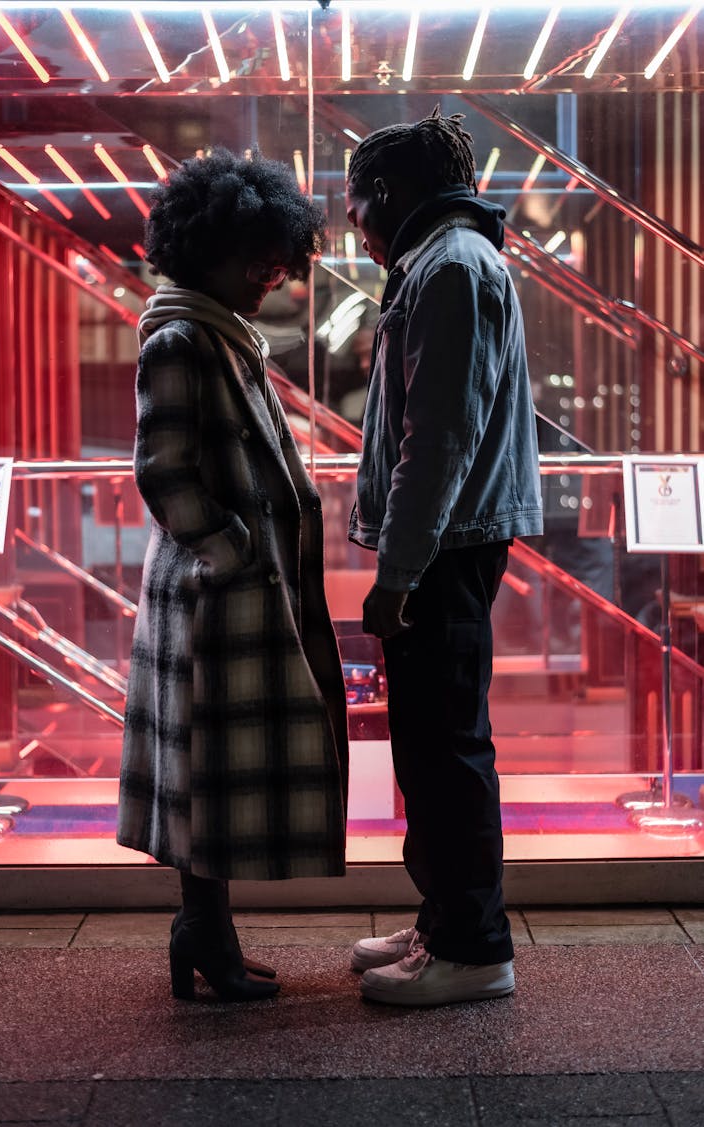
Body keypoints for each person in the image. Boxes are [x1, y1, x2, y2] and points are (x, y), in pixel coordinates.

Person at [117, 150, 349, 1003]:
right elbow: (163, 469)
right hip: (216, 597)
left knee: (208, 770)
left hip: (230, 594)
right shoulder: (184, 337)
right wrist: (231, 553)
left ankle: (205, 931)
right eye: (259, 259)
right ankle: (202, 931)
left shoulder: (217, 331)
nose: (273, 276)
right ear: (210, 247)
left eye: (277, 260)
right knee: (204, 769)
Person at [345, 108, 543, 1006]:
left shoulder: (452, 269)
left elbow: (439, 439)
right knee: (429, 744)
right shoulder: (443, 263)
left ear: (388, 194)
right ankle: (444, 921)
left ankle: (473, 945)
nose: (354, 225)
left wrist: (398, 569)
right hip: (446, 541)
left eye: (356, 205)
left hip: (445, 547)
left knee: (447, 746)